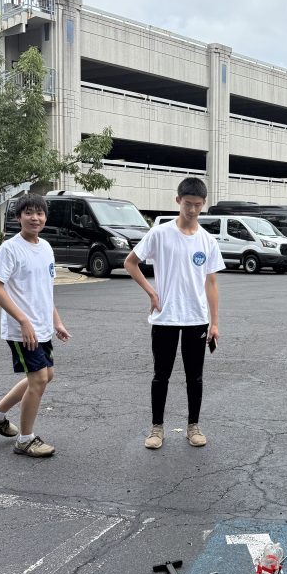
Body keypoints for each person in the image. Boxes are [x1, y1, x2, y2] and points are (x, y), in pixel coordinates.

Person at [125, 177, 224, 451]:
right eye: (188, 204)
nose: (192, 210)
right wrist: (152, 292)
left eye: (198, 205)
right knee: (161, 375)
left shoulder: (207, 241)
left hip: (196, 319)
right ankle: (157, 427)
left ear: (203, 205)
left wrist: (214, 323)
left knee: (195, 377)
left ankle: (194, 426)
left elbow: (211, 283)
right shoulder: (159, 234)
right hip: (166, 318)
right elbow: (130, 263)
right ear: (177, 200)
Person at [0, 193, 70, 458]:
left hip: (41, 327)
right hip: (22, 329)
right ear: (18, 217)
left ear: (45, 217)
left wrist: (57, 322)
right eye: (28, 213)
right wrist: (23, 320)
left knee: (44, 376)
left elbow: (45, 292)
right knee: (38, 378)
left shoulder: (46, 248)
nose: (35, 218)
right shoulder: (10, 248)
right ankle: (25, 440)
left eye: (39, 213)